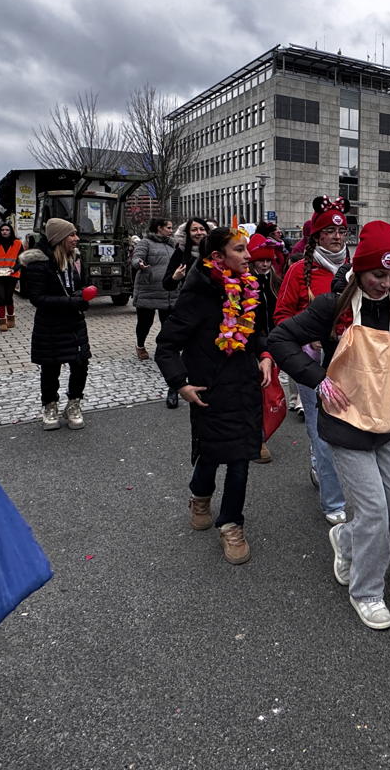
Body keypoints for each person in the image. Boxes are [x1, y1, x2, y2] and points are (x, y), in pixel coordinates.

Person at [270, 221, 390, 629]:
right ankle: (368, 591)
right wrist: (317, 380)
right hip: (344, 423)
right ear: (359, 271)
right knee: (373, 511)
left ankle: (346, 538)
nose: (384, 284)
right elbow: (280, 339)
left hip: (385, 420)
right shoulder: (331, 307)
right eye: (377, 275)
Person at [155, 227, 273, 565]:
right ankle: (200, 495)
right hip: (210, 390)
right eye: (240, 250)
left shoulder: (250, 286)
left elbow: (256, 333)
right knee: (211, 454)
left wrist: (264, 356)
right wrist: (181, 384)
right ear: (218, 258)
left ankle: (231, 523)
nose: (249, 256)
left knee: (240, 458)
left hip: (246, 387)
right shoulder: (198, 295)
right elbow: (166, 346)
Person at [274, 197, 352, 525]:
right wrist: (310, 336)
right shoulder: (298, 272)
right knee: (321, 430)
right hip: (313, 363)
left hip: (349, 361)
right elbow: (281, 318)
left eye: (342, 230)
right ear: (317, 237)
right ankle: (333, 502)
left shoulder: (356, 270)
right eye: (330, 231)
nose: (337, 236)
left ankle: (331, 472)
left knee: (346, 426)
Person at [19, 219, 91, 431]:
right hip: (49, 325)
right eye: (72, 235)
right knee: (50, 368)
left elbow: (76, 287)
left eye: (76, 234)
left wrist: (83, 296)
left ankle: (74, 403)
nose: (76, 238)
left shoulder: (73, 259)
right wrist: (73, 301)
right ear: (59, 238)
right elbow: (37, 299)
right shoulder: (38, 264)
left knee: (80, 364)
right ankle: (50, 405)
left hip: (74, 322)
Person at [249, 232, 282, 464]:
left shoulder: (276, 282)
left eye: (268, 260)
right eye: (260, 260)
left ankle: (261, 433)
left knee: (269, 389)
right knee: (256, 391)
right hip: (250, 343)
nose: (264, 264)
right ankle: (257, 438)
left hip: (273, 342)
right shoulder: (244, 283)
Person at [130, 219, 180, 370]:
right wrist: (139, 263)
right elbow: (136, 257)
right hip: (148, 290)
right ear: (159, 228)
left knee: (168, 323)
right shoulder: (145, 243)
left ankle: (165, 348)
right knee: (145, 322)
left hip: (168, 291)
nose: (171, 230)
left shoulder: (172, 244)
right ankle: (140, 345)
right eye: (168, 227)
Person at [161, 218, 211, 293]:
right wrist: (175, 278)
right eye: (194, 230)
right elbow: (167, 285)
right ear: (187, 233)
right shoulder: (181, 251)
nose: (199, 232)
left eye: (202, 229)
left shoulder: (217, 251)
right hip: (191, 300)